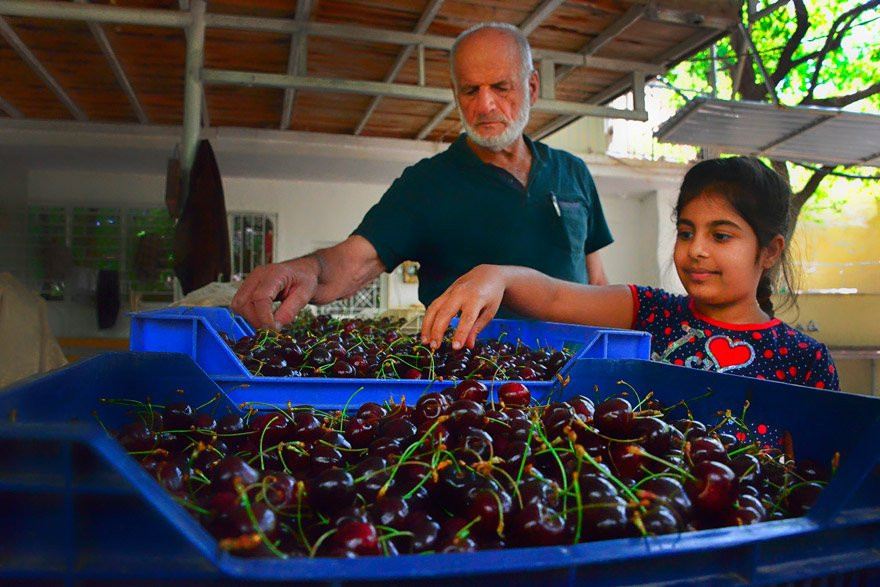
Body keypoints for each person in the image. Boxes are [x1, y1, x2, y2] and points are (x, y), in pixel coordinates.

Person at [231, 22, 613, 329]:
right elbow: (354, 262)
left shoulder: (572, 172)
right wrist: (304, 270)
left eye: (500, 87)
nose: (484, 104)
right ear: (455, 93)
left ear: (531, 86)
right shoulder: (426, 185)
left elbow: (595, 280)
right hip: (469, 382)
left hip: (572, 368)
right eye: (469, 90)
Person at [420, 156, 839, 390]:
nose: (696, 250)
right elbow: (554, 297)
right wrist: (497, 276)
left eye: (722, 236)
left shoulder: (805, 360)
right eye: (686, 231)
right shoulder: (652, 312)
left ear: (769, 251)